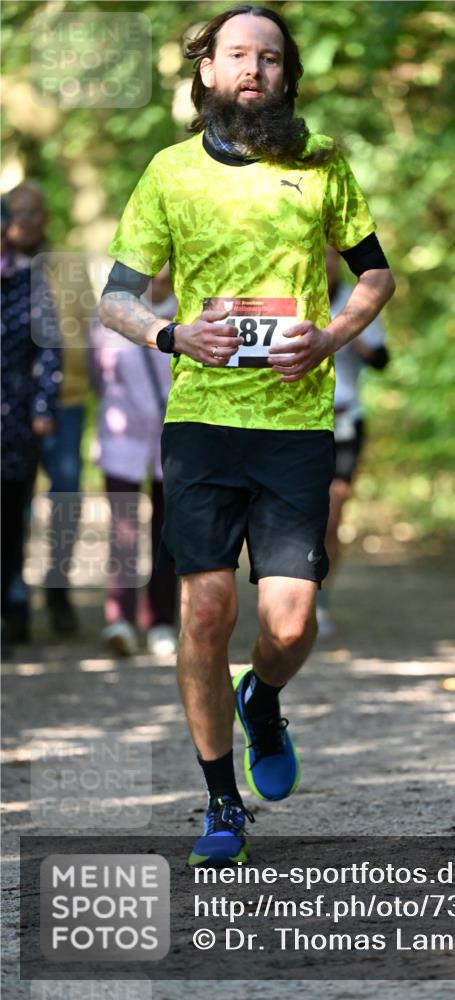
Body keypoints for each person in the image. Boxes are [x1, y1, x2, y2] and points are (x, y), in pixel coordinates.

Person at [99, 5, 395, 866]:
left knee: (290, 622)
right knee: (204, 610)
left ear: (287, 76)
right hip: (200, 422)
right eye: (237, 55)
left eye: (269, 57)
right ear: (207, 73)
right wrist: (172, 334)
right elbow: (116, 298)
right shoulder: (169, 174)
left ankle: (260, 698)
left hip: (296, 423)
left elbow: (374, 274)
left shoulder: (322, 164)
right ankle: (222, 803)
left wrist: (332, 336)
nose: (253, 69)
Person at [7, 180, 94, 635]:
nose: (27, 221)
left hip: (68, 402)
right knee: (13, 501)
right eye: (18, 212)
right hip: (13, 408)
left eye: (35, 212)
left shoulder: (68, 267)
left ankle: (58, 594)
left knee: (65, 495)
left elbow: (92, 330)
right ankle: (14, 599)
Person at [89, 264, 178, 656]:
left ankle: (161, 622)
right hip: (121, 436)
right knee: (123, 530)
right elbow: (96, 373)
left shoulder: (191, 311)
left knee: (166, 532)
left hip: (171, 437)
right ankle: (119, 619)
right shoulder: (115, 311)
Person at [316, 246, 390, 639]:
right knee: (299, 516)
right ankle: (291, 596)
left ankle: (320, 601)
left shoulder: (355, 300)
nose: (327, 264)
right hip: (303, 424)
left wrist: (347, 335)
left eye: (333, 257)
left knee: (332, 514)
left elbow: (382, 359)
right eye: (321, 256)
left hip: (346, 420)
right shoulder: (297, 300)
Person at [1, 196, 62, 645]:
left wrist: (42, 407)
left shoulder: (28, 279)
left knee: (9, 521)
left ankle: (9, 608)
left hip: (15, 419)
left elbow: (49, 345)